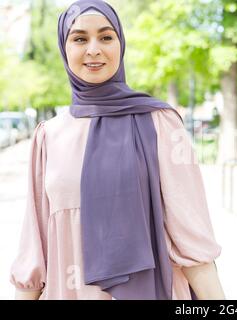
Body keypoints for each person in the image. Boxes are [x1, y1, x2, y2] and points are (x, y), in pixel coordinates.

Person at [9, 0, 225, 300]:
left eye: (106, 37)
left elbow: (192, 238)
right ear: (64, 47)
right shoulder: (48, 136)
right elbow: (35, 248)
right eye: (80, 38)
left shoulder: (159, 123)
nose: (94, 49)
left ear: (120, 45)